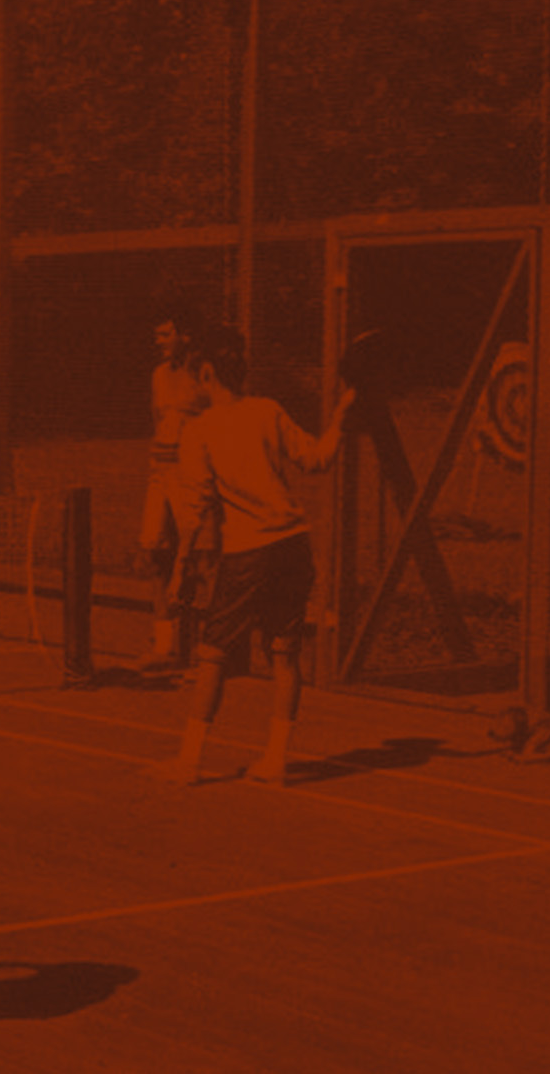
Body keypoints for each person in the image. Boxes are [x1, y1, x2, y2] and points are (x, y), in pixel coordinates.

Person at [149, 327, 356, 787]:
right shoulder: (268, 410)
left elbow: (194, 512)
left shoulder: (198, 431)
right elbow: (318, 459)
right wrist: (341, 415)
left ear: (207, 373)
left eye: (195, 376)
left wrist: (181, 569)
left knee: (212, 656)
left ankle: (188, 762)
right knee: (284, 654)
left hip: (247, 554)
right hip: (294, 546)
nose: (191, 385)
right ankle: (276, 762)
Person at [138, 308, 210, 671]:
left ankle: (198, 649)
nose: (159, 341)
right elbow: (158, 420)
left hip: (191, 473)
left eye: (165, 334)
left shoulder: (204, 374)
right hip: (160, 472)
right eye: (157, 335)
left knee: (196, 555)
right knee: (154, 552)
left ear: (185, 336)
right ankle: (164, 644)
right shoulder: (158, 375)